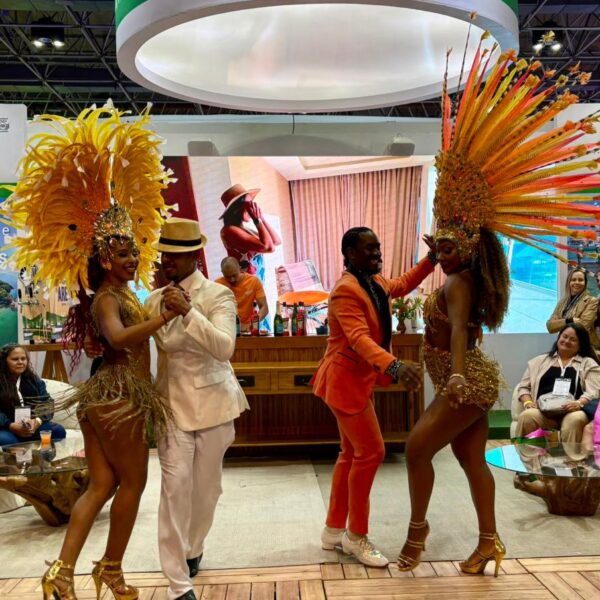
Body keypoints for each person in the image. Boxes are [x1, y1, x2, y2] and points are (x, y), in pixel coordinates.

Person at [396, 26, 600, 577]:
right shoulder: (458, 275)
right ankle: (489, 542)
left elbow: (462, 331)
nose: (439, 254)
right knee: (468, 460)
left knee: (416, 449)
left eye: (447, 246)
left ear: (468, 245)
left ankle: (417, 535)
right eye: (436, 245)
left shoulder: (460, 284)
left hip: (466, 380)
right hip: (467, 378)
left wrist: (458, 377)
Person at [0, 103, 173, 600]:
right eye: (122, 253)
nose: (132, 257)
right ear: (104, 258)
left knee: (101, 486)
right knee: (133, 484)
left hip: (106, 397)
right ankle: (111, 569)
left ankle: (62, 572)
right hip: (118, 398)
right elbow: (117, 340)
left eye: (133, 250)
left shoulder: (119, 294)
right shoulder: (107, 298)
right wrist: (165, 317)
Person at [311, 226, 436, 567]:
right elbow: (359, 339)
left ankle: (333, 530)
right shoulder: (345, 291)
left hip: (355, 381)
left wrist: (432, 259)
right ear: (350, 254)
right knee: (371, 452)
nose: (377, 253)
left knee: (351, 454)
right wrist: (395, 366)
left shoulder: (374, 281)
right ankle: (356, 537)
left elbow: (402, 284)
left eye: (378, 247)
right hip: (344, 383)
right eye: (369, 249)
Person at [145, 218, 249, 600]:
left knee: (207, 492)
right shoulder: (152, 300)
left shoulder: (218, 295)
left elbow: (224, 348)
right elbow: (135, 343)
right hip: (170, 407)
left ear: (193, 256)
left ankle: (193, 547)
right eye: (163, 255)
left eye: (173, 255)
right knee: (174, 489)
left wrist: (189, 312)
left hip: (214, 405)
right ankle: (178, 583)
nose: (166, 262)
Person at [515, 323, 600, 443]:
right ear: (558, 337)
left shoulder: (588, 364)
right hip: (543, 411)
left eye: (573, 339)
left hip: (573, 411)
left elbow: (593, 391)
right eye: (564, 336)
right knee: (527, 416)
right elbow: (523, 387)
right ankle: (528, 454)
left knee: (575, 419)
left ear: (581, 345)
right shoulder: (539, 361)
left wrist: (579, 403)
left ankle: (570, 455)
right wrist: (528, 402)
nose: (567, 341)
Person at [0, 343, 66, 446]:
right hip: (7, 427)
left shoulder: (33, 380)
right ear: (4, 361)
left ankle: (40, 454)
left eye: (23, 359)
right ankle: (17, 445)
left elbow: (47, 403)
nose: (20, 362)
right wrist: (10, 425)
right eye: (15, 359)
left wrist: (37, 421)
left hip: (31, 426)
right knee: (6, 440)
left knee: (58, 431)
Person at [219, 184, 281, 277]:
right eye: (248, 205)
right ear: (237, 208)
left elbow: (276, 241)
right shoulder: (230, 231)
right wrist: (257, 220)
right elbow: (268, 247)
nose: (252, 208)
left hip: (255, 281)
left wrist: (261, 218)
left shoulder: (244, 229)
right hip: (245, 284)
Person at [546, 268, 598, 347]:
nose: (577, 282)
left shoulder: (592, 301)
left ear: (585, 283)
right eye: (573, 280)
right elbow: (550, 326)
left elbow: (583, 326)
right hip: (565, 345)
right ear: (568, 282)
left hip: (584, 347)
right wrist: (570, 320)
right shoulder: (562, 302)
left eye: (580, 280)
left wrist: (560, 323)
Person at [216, 256, 268, 331]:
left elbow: (264, 307)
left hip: (248, 327)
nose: (232, 279)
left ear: (240, 269)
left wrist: (253, 323)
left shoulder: (253, 281)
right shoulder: (218, 284)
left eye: (234, 275)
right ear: (222, 273)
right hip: (227, 328)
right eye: (227, 277)